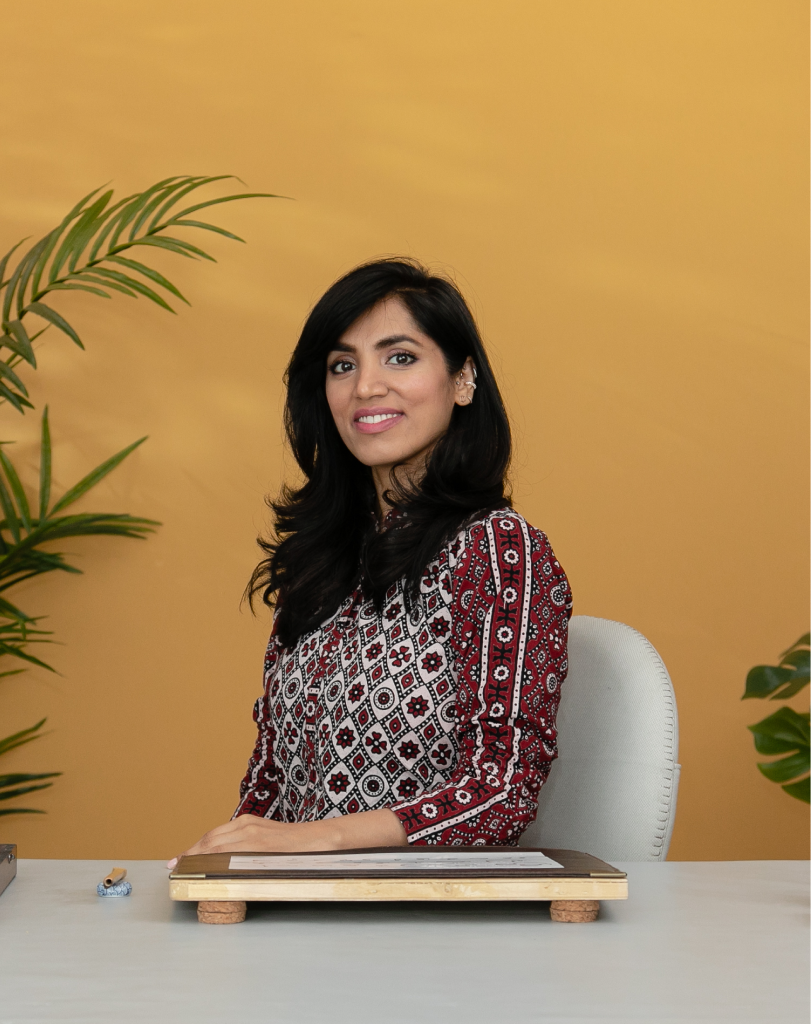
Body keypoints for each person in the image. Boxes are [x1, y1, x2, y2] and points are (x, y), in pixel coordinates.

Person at [169, 258, 571, 865]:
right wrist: (223, 860)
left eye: (400, 357)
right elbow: (275, 780)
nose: (365, 387)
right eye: (342, 365)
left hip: (420, 921)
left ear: (463, 380)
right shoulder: (321, 560)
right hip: (302, 911)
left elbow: (502, 793)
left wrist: (316, 838)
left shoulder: (498, 552)